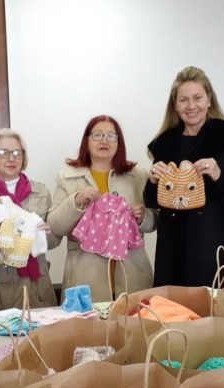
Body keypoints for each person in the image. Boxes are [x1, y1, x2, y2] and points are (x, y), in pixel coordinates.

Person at [145, 66, 224, 287]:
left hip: (216, 246)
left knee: (217, 315)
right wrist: (153, 181)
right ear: (175, 105)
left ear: (209, 100)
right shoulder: (165, 144)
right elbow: (151, 200)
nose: (191, 106)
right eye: (184, 100)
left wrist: (218, 175)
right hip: (173, 248)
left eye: (197, 98)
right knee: (175, 315)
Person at [48, 115, 156, 301]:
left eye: (111, 136)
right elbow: (54, 226)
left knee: (134, 327)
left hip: (133, 275)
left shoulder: (138, 176)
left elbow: (156, 219)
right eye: (97, 135)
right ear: (86, 140)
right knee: (89, 329)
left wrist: (143, 216)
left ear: (119, 143)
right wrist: (76, 202)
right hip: (84, 277)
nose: (104, 140)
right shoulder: (67, 177)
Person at [0, 128, 60, 311]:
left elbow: (54, 241)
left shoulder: (40, 193)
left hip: (37, 289)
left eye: (17, 153)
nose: (11, 158)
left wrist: (39, 229)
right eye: (4, 153)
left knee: (42, 339)